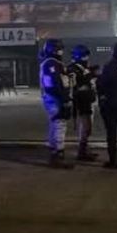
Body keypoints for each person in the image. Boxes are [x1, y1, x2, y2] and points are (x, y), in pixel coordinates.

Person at [40, 38, 74, 169]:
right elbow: (53, 84)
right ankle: (58, 155)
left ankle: (54, 152)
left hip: (53, 97)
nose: (60, 51)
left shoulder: (52, 62)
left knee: (55, 124)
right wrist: (63, 99)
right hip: (54, 98)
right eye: (57, 48)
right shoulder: (51, 63)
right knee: (59, 124)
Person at [67, 44, 99, 161]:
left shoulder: (83, 68)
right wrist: (90, 75)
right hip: (81, 101)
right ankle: (82, 151)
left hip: (88, 99)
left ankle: (85, 149)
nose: (87, 58)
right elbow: (76, 84)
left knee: (88, 127)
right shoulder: (73, 68)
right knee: (85, 127)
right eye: (84, 56)